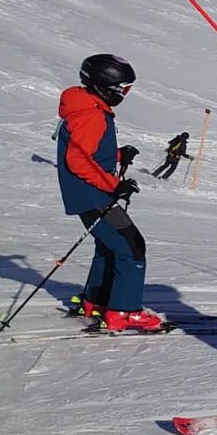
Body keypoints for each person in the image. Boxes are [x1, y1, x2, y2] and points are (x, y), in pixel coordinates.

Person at [58, 54, 159, 331]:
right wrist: (115, 185)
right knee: (132, 247)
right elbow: (77, 161)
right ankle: (124, 312)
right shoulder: (91, 114)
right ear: (106, 86)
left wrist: (115, 154)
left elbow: (84, 149)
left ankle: (96, 301)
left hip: (88, 194)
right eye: (122, 89)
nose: (124, 95)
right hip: (94, 195)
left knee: (110, 246)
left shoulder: (86, 107)